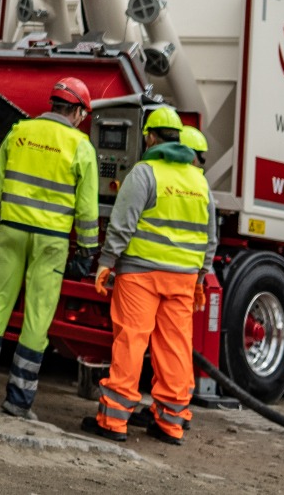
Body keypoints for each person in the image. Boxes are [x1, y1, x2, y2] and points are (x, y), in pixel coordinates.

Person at [0, 77, 100, 420]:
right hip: (51, 241)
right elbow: (87, 210)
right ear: (77, 111)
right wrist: (87, 251)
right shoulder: (80, 147)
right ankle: (18, 402)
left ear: (53, 104)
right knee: (37, 317)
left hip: (11, 231)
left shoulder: (18, 133)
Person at [83, 106, 216, 446]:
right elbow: (209, 236)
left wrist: (107, 261)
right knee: (174, 348)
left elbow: (123, 221)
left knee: (131, 340)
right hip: (183, 279)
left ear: (151, 137)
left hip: (141, 274)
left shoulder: (144, 173)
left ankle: (113, 420)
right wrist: (202, 275)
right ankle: (170, 423)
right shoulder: (199, 182)